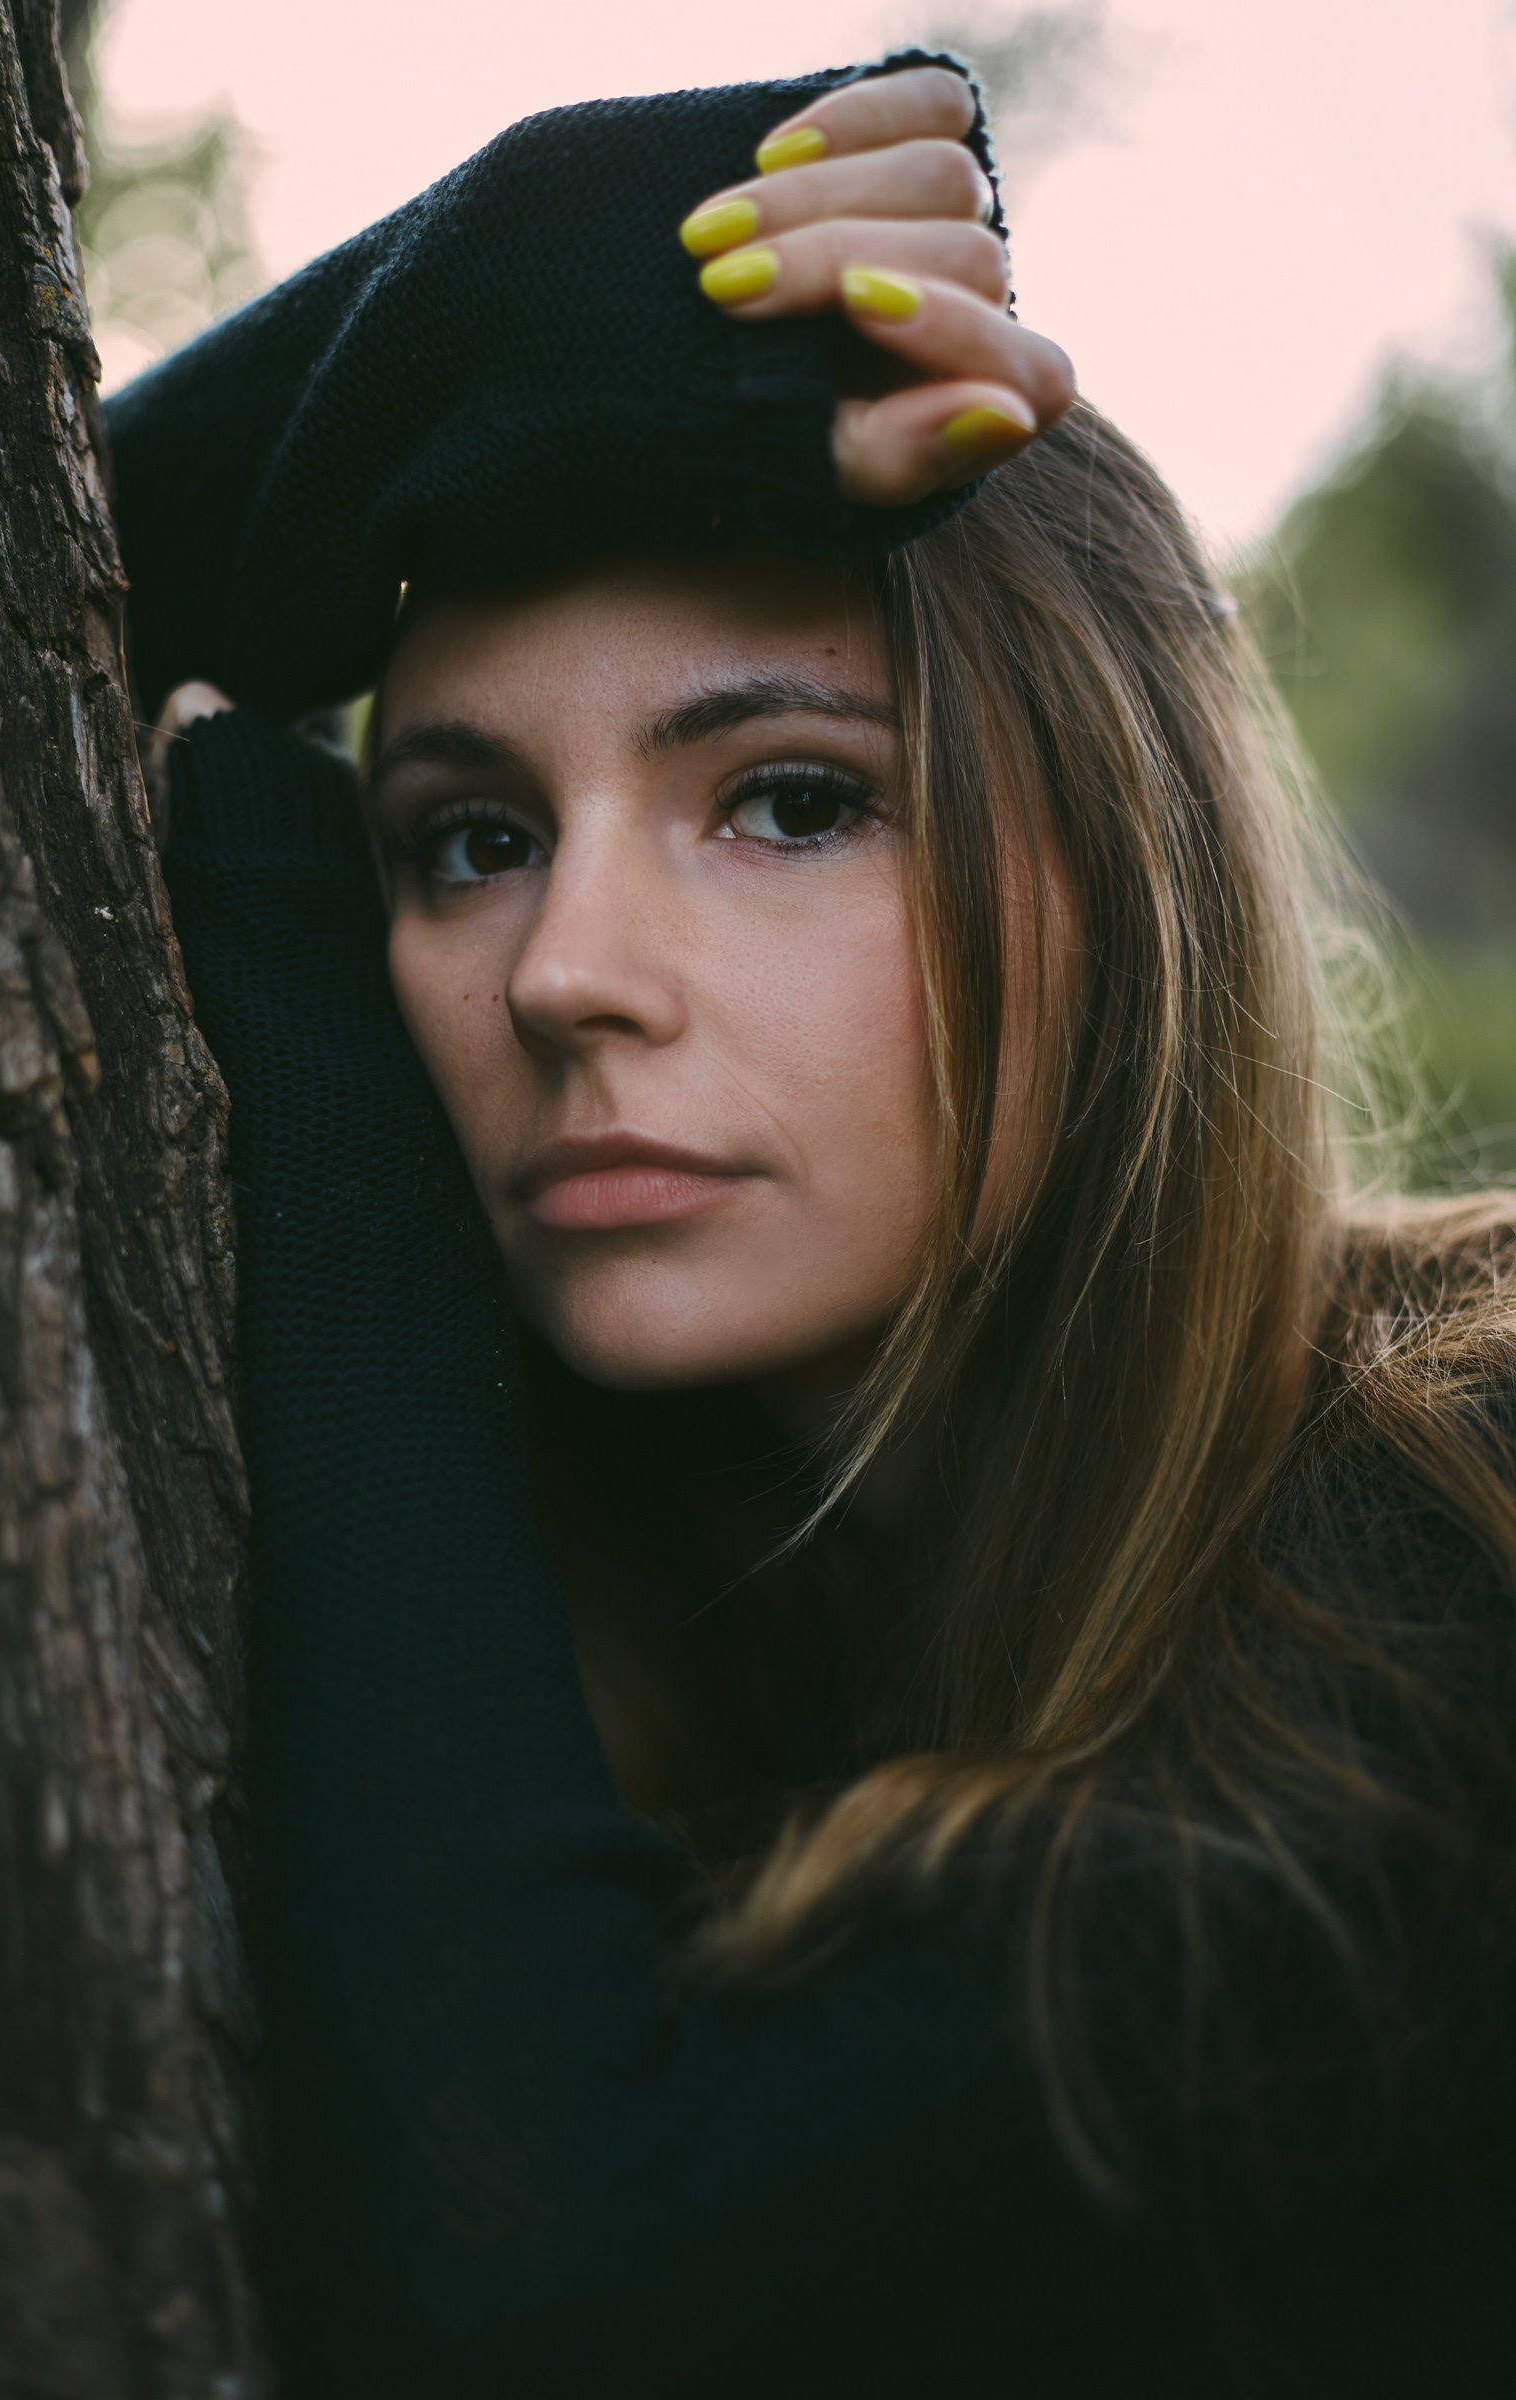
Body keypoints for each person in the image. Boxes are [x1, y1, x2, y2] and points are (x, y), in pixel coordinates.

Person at [109, 55, 1516, 2397]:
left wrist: (288, 981)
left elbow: (543, 2258)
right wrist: (480, 317)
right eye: (458, 841)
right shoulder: (602, 1640)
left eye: (782, 801)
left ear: (1124, 872)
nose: (562, 974)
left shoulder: (1464, 1520)